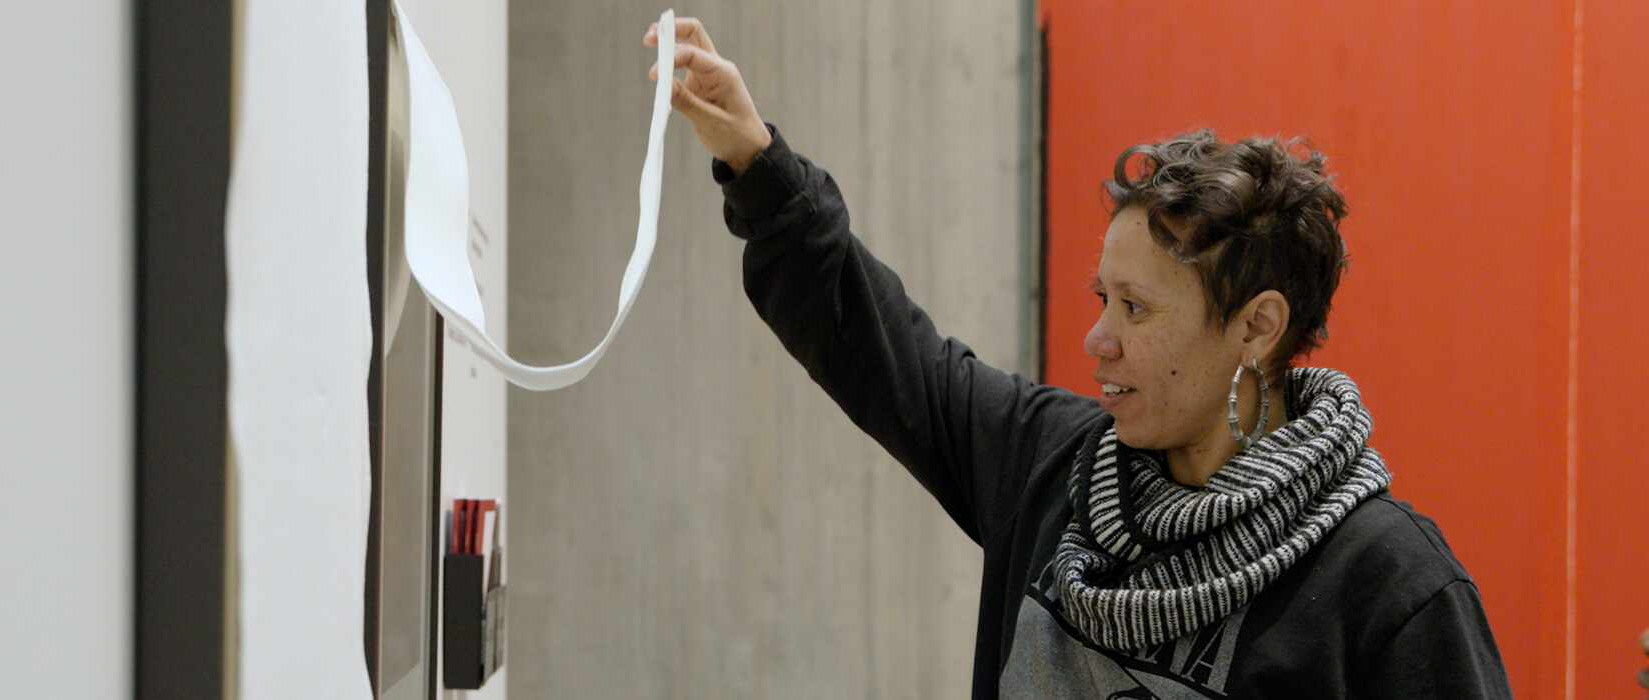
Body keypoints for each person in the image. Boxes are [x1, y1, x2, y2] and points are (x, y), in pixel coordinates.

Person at [645, 17, 1512, 699]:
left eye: (1136, 308)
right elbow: (877, 348)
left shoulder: (1390, 587)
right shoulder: (1052, 464)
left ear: (1258, 327)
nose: (1098, 340)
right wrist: (755, 160)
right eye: (1103, 299)